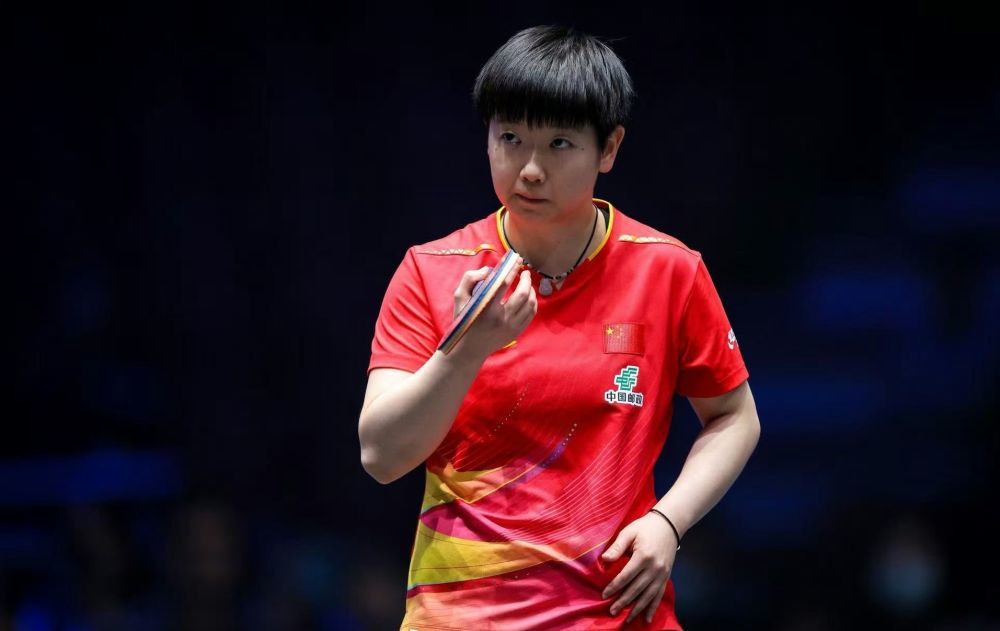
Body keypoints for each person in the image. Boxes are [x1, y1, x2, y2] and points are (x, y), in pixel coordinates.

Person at [359, 25, 760, 630]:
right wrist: (466, 349)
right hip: (462, 616)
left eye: (559, 144)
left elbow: (735, 417)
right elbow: (382, 455)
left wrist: (668, 521)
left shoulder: (667, 271)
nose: (529, 169)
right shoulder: (432, 270)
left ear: (609, 148)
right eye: (510, 138)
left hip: (616, 612)